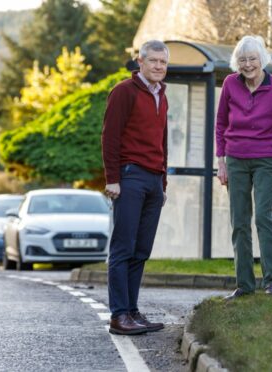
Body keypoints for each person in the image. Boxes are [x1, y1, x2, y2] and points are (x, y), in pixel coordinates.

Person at [216, 35, 272, 300]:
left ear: (261, 59)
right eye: (242, 60)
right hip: (236, 159)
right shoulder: (230, 83)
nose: (248, 64)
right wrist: (221, 161)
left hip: (267, 159)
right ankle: (244, 284)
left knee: (263, 216)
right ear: (236, 62)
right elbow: (220, 124)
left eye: (252, 59)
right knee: (239, 221)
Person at [101, 40, 169, 335]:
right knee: (123, 247)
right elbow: (110, 136)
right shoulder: (123, 92)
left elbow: (163, 143)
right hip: (130, 176)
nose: (158, 67)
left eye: (162, 62)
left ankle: (132, 310)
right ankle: (119, 315)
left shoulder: (162, 96)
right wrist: (112, 178)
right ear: (139, 62)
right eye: (152, 61)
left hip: (154, 180)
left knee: (141, 250)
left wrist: (163, 183)